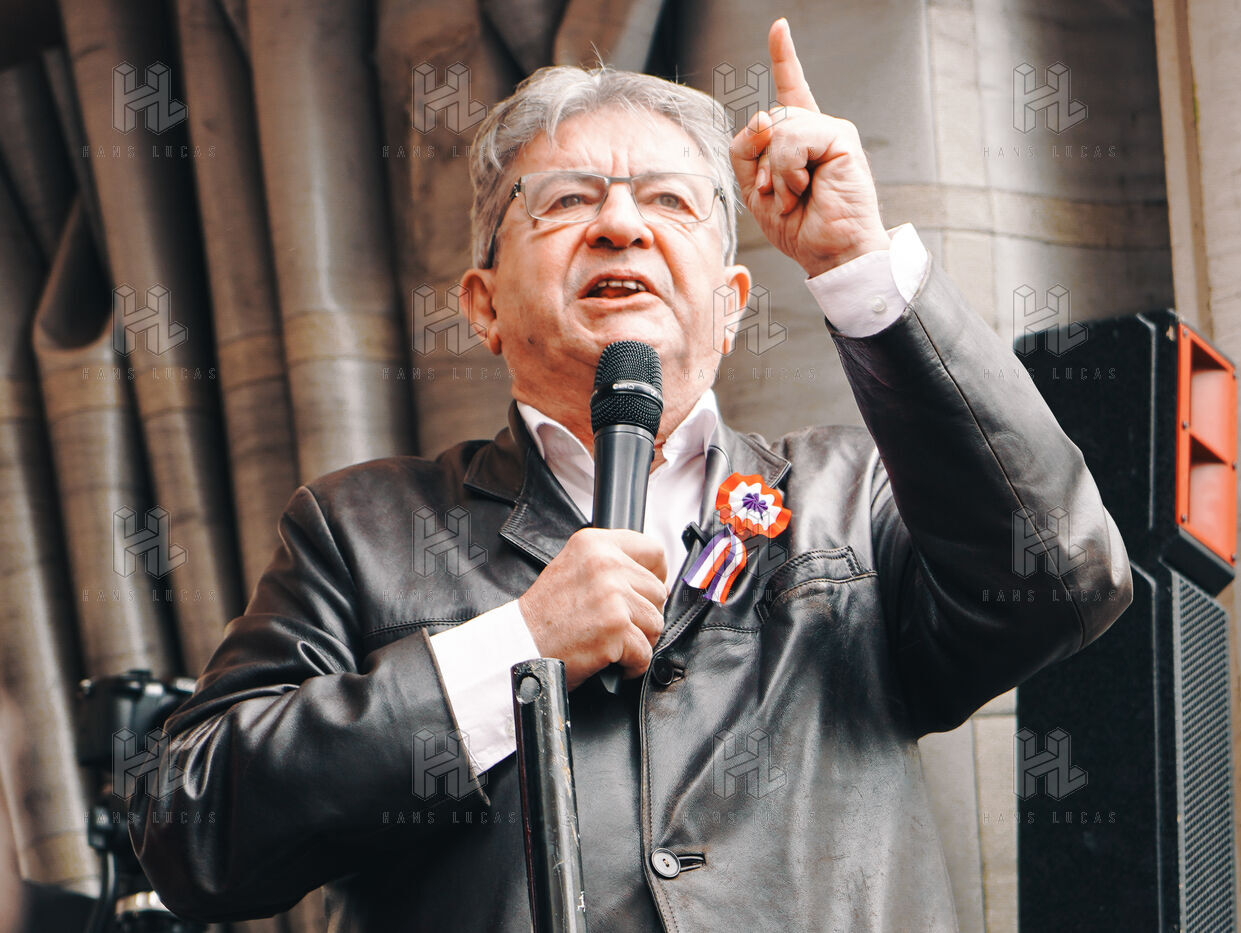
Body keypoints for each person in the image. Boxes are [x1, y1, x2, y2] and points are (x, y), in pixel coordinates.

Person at [133, 18, 1131, 932]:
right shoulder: (359, 528)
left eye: (669, 200)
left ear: (732, 305)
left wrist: (857, 262)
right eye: (566, 200)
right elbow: (192, 827)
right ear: (481, 303)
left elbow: (1060, 579)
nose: (621, 225)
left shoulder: (853, 495)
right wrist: (517, 648)